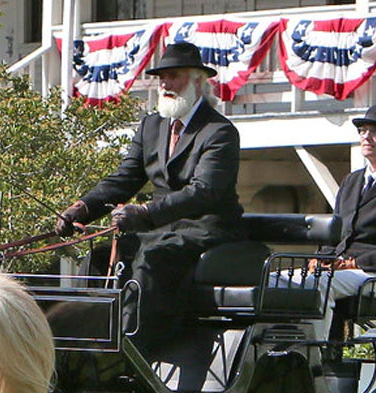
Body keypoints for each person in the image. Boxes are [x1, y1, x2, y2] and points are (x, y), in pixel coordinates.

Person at [55, 42, 243, 356]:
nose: (165, 84)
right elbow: (125, 178)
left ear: (197, 80)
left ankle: (132, 352)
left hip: (206, 231)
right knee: (99, 259)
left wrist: (145, 212)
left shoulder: (219, 132)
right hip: (160, 229)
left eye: (174, 76)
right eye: (162, 78)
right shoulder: (152, 126)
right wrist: (81, 209)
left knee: (153, 257)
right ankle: (81, 347)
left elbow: (204, 192)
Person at [293, 103, 376, 340]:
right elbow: (336, 235)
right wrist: (321, 259)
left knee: (319, 284)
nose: (367, 137)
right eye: (363, 130)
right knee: (282, 279)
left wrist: (354, 262)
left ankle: (319, 355)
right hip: (341, 272)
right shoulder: (351, 182)